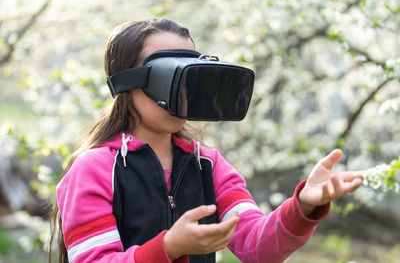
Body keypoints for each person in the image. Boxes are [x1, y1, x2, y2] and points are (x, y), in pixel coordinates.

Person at [49, 18, 363, 263]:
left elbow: (257, 248)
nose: (183, 93)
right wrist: (168, 248)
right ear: (127, 83)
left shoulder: (208, 165)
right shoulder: (93, 170)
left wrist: (303, 206)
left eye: (190, 76)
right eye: (170, 77)